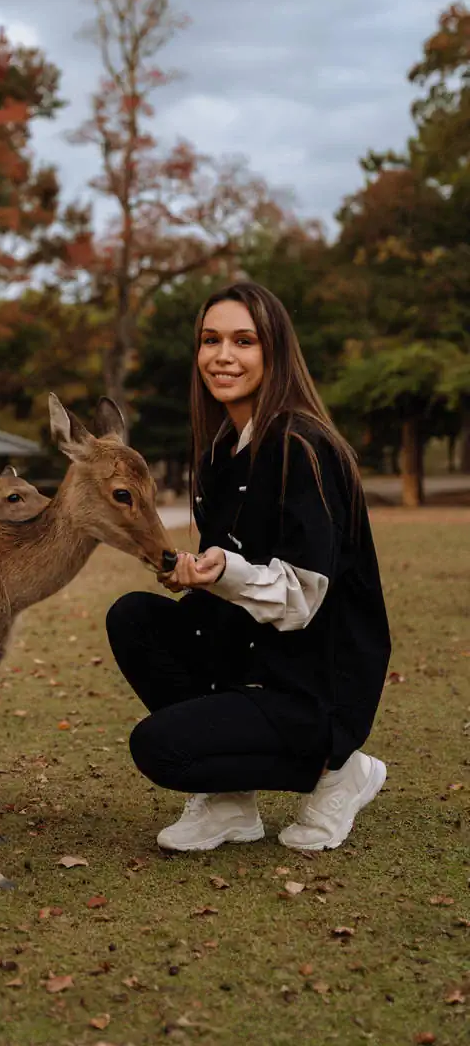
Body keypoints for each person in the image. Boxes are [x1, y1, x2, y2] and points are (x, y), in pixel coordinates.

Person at [106, 281, 391, 854]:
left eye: (244, 341)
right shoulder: (221, 451)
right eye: (210, 340)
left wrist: (225, 573)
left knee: (161, 748)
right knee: (135, 618)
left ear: (275, 352)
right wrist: (197, 575)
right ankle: (231, 805)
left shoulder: (304, 448)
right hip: (255, 658)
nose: (223, 356)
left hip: (316, 687)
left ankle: (340, 772)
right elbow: (231, 576)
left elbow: (305, 599)